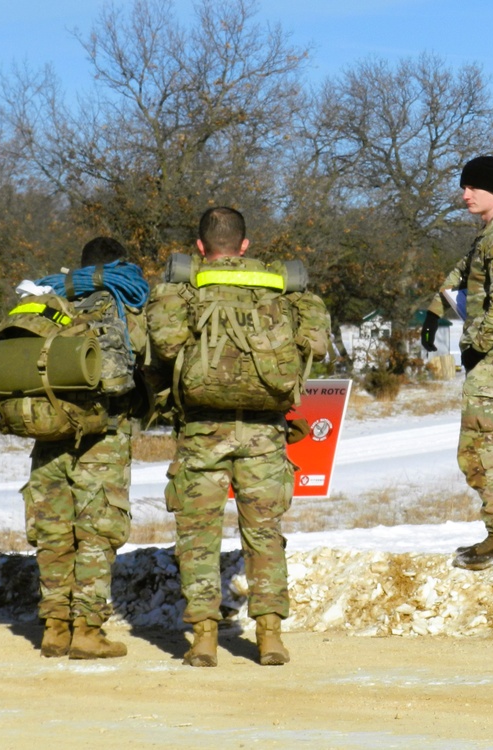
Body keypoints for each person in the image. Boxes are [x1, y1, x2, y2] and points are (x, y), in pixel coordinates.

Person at [146, 207, 331, 667]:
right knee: (265, 533)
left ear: (201, 247)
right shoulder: (279, 287)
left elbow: (164, 345)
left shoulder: (184, 286)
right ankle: (270, 637)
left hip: (201, 432)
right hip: (264, 433)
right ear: (245, 246)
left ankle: (204, 638)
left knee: (197, 536)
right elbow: (319, 347)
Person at [21, 237, 146, 659]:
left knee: (54, 531)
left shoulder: (48, 301)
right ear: (117, 266)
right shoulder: (124, 304)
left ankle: (54, 628)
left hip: (49, 432)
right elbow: (145, 359)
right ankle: (87, 631)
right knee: (96, 532)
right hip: (103, 436)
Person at [420, 156, 493, 571]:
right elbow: (461, 274)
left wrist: (477, 345)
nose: (464, 194)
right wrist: (436, 311)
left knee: (485, 445)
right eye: (463, 186)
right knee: (484, 445)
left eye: (472, 187)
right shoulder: (489, 235)